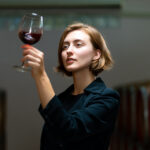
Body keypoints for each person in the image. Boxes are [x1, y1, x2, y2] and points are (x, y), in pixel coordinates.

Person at [21, 22, 120, 150]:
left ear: (96, 54)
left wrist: (41, 76)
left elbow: (70, 130)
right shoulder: (61, 100)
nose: (69, 51)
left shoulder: (107, 98)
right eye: (65, 46)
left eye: (78, 44)